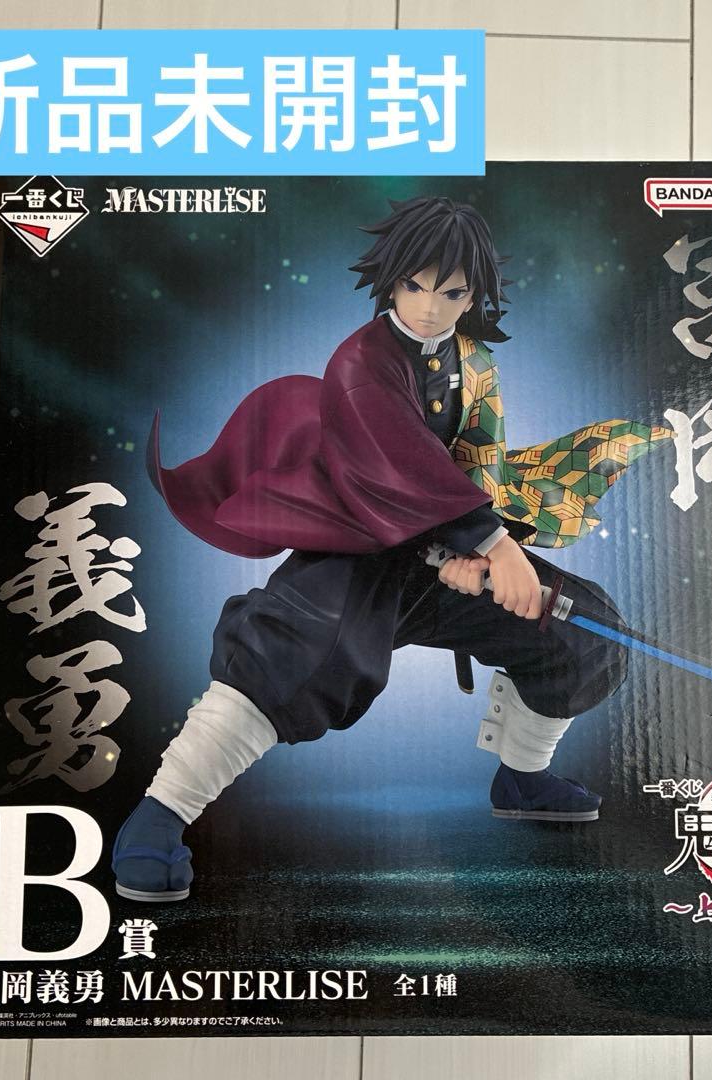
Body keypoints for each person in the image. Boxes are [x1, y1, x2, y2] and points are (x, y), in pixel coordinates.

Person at [111, 196, 669, 901]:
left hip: (448, 549)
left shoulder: (473, 362)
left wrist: (480, 553)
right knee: (289, 656)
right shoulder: (360, 363)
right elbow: (394, 461)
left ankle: (523, 778)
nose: (430, 308)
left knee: (582, 629)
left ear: (474, 294)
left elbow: (480, 459)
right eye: (415, 285)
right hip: (355, 547)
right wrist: (489, 545)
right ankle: (157, 819)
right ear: (391, 279)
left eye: (452, 293)